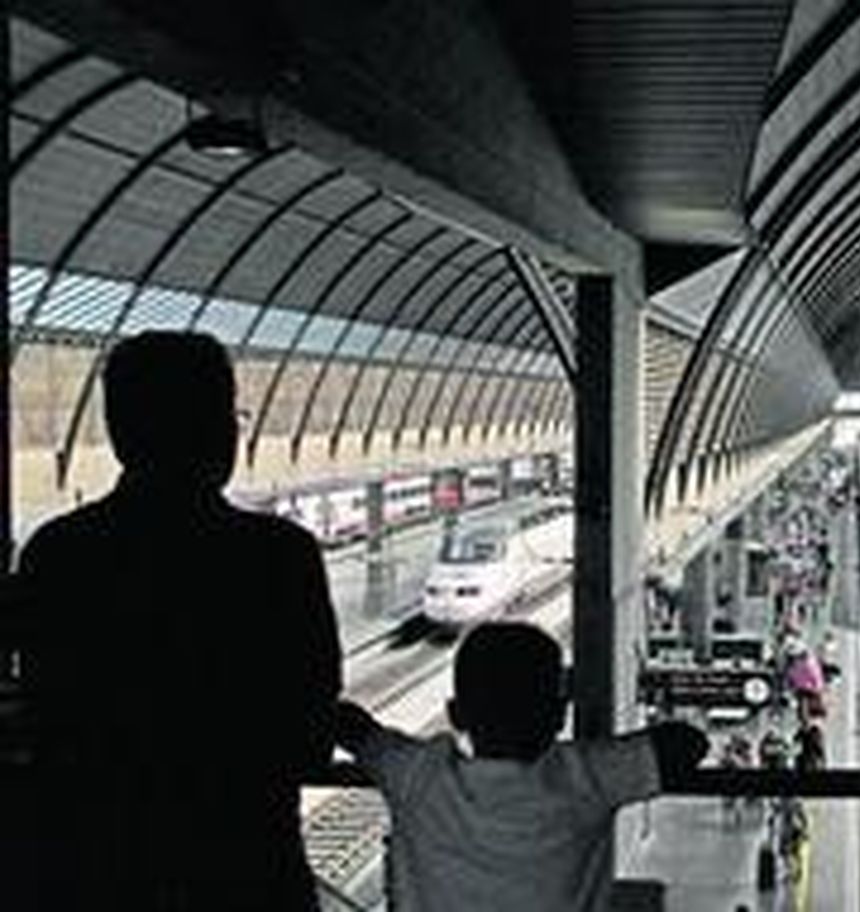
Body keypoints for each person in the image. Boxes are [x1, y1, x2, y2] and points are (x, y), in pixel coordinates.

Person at [17, 331, 341, 910]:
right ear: (220, 430)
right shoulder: (279, 557)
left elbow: (46, 718)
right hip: (247, 873)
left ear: (119, 432)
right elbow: (311, 737)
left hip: (95, 874)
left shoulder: (57, 554)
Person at [334, 623, 708, 912]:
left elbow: (348, 724)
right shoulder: (587, 777)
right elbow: (687, 744)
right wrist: (600, 750)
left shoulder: (416, 774)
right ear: (558, 715)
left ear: (455, 714)